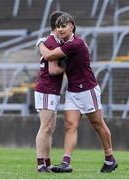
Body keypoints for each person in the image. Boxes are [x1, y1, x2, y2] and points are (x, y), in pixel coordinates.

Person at [37, 13, 118, 173]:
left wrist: (40, 42)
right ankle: (66, 162)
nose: (60, 29)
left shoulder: (76, 43)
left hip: (88, 89)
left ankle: (110, 158)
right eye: (58, 26)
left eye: (64, 26)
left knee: (98, 124)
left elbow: (48, 55)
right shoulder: (67, 43)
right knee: (70, 126)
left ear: (72, 26)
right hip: (73, 90)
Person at [34, 11, 66, 173]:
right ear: (58, 25)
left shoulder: (51, 41)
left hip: (50, 89)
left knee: (50, 127)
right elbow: (53, 70)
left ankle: (47, 162)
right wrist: (70, 67)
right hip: (47, 89)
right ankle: (41, 164)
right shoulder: (53, 42)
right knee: (45, 127)